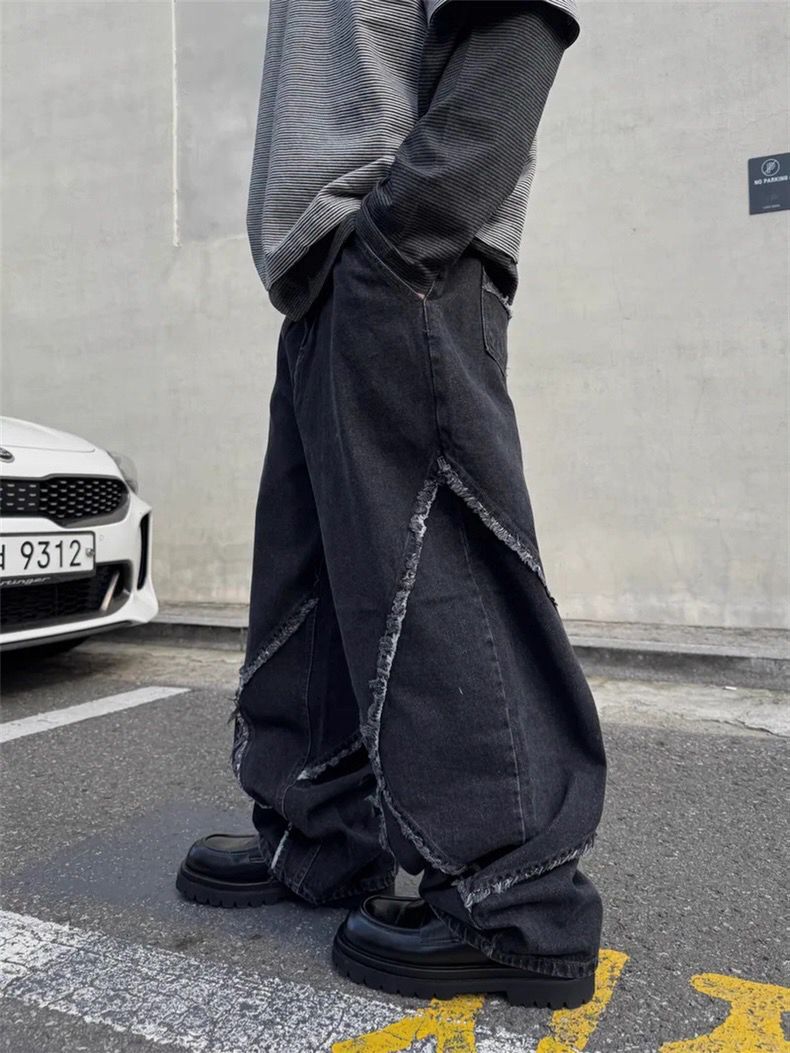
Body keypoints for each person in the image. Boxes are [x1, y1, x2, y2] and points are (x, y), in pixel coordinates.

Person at [176, 0, 606, 1010]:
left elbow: (515, 29)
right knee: (314, 579)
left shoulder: (397, 249)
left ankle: (519, 904)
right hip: (328, 274)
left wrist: (402, 238)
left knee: (443, 565)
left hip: (401, 258)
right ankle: (321, 835)